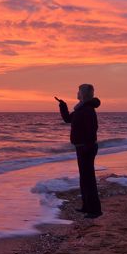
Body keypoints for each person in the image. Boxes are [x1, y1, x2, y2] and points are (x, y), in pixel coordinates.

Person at [55, 84, 102, 219]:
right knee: (84, 178)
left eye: (79, 91)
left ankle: (95, 210)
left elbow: (93, 129)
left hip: (86, 148)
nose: (77, 93)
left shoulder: (87, 110)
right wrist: (63, 106)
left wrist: (87, 146)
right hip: (81, 147)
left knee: (89, 179)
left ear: (83, 94)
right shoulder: (80, 108)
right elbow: (68, 119)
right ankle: (86, 207)